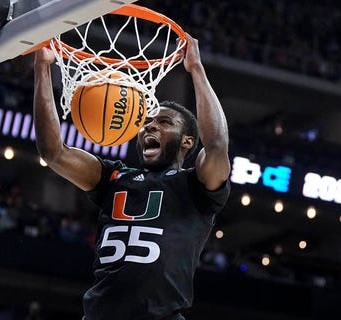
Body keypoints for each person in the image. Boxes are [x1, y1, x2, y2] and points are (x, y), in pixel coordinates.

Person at [33, 32, 231, 320]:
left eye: (164, 122)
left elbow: (216, 145)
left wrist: (196, 69)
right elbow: (53, 152)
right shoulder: (112, 177)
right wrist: (42, 66)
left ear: (187, 141)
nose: (150, 127)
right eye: (147, 122)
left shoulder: (195, 186)